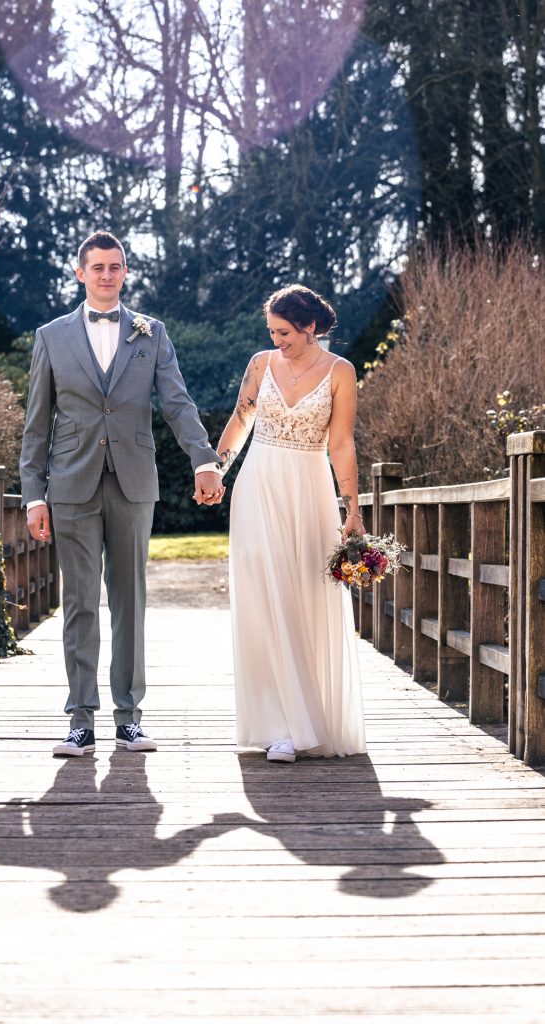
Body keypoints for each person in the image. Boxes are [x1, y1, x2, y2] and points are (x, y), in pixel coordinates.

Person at [20, 230, 223, 757]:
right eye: (98, 267)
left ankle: (129, 716)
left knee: (129, 602)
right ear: (80, 272)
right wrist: (33, 495)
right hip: (69, 483)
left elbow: (176, 402)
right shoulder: (51, 336)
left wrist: (203, 459)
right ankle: (80, 719)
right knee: (79, 602)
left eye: (116, 267)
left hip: (134, 482)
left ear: (125, 272)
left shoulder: (150, 333)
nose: (107, 275)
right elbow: (36, 426)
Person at [216, 284, 366, 763]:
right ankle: (277, 725)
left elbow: (341, 444)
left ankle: (308, 721)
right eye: (272, 332)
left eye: (284, 332)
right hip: (258, 485)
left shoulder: (341, 372)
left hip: (309, 490)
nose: (277, 340)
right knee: (265, 595)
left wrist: (353, 511)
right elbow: (241, 421)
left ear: (310, 328)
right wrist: (214, 470)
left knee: (303, 597)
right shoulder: (261, 364)